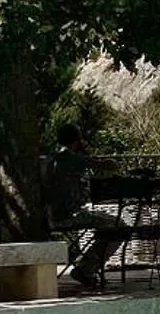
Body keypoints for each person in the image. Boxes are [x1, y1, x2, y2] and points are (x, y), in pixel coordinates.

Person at [46, 124, 125, 290]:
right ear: (76, 140)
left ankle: (87, 267)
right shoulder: (70, 158)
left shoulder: (52, 158)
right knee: (119, 226)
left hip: (51, 214)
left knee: (110, 224)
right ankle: (86, 268)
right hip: (68, 215)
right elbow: (105, 166)